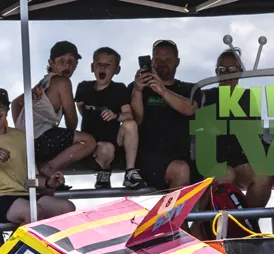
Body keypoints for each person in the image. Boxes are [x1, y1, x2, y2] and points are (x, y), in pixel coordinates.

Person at [0, 87, 75, 226]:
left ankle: (42, 247)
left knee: (68, 208)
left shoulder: (21, 136)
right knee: (33, 212)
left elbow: (31, 178)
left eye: (1, 107)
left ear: (7, 110)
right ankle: (20, 248)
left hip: (25, 194)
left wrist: (48, 183)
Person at [11, 41, 96, 188]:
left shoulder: (43, 83)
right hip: (40, 138)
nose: (67, 65)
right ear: (51, 63)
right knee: (87, 141)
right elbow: (72, 122)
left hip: (25, 142)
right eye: (62, 61)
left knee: (58, 140)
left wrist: (21, 131)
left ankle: (46, 176)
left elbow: (16, 104)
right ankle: (50, 168)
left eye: (71, 62)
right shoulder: (63, 82)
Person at [197, 50, 274, 207]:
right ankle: (204, 227)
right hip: (213, 159)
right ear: (216, 73)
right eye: (222, 69)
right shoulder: (204, 96)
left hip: (241, 159)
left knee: (263, 176)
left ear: (240, 71)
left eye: (232, 69)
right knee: (225, 174)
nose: (227, 73)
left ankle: (247, 228)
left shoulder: (248, 97)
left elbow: (254, 132)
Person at [130, 39, 200, 190]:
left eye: (168, 59)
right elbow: (136, 119)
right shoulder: (137, 87)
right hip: (147, 159)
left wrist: (162, 91)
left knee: (211, 178)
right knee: (181, 170)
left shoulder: (190, 89)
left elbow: (190, 109)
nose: (162, 63)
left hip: (183, 157)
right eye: (158, 59)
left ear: (177, 62)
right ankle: (173, 214)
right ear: (151, 60)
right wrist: (137, 91)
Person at [75, 47, 145, 189]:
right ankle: (104, 171)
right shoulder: (83, 87)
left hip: (115, 139)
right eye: (99, 64)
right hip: (93, 144)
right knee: (104, 148)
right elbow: (80, 107)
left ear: (116, 70)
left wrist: (115, 115)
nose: (102, 67)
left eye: (108, 65)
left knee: (130, 124)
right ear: (92, 67)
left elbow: (129, 115)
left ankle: (130, 172)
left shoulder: (119, 89)